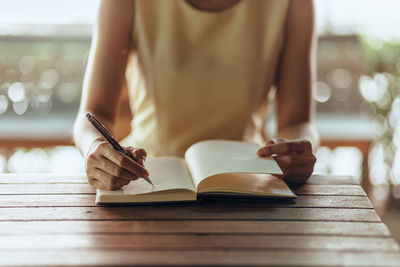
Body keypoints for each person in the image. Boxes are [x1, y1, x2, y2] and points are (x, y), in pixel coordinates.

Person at [73, 0, 319, 191]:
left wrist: (297, 153)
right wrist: (95, 148)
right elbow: (93, 113)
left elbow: (298, 122)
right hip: (145, 179)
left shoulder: (294, 4)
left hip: (249, 183)